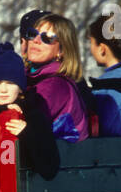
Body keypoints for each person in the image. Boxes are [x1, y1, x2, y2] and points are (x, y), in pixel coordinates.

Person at [0, 42, 59, 186]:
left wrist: (27, 133)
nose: (3, 89)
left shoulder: (33, 115)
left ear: (20, 87)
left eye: (10, 82)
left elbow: (49, 168)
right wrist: (0, 116)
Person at [24, 12, 89, 142]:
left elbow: (25, 119)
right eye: (32, 34)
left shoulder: (56, 85)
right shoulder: (29, 77)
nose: (36, 41)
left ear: (62, 50)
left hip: (63, 158)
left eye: (47, 38)